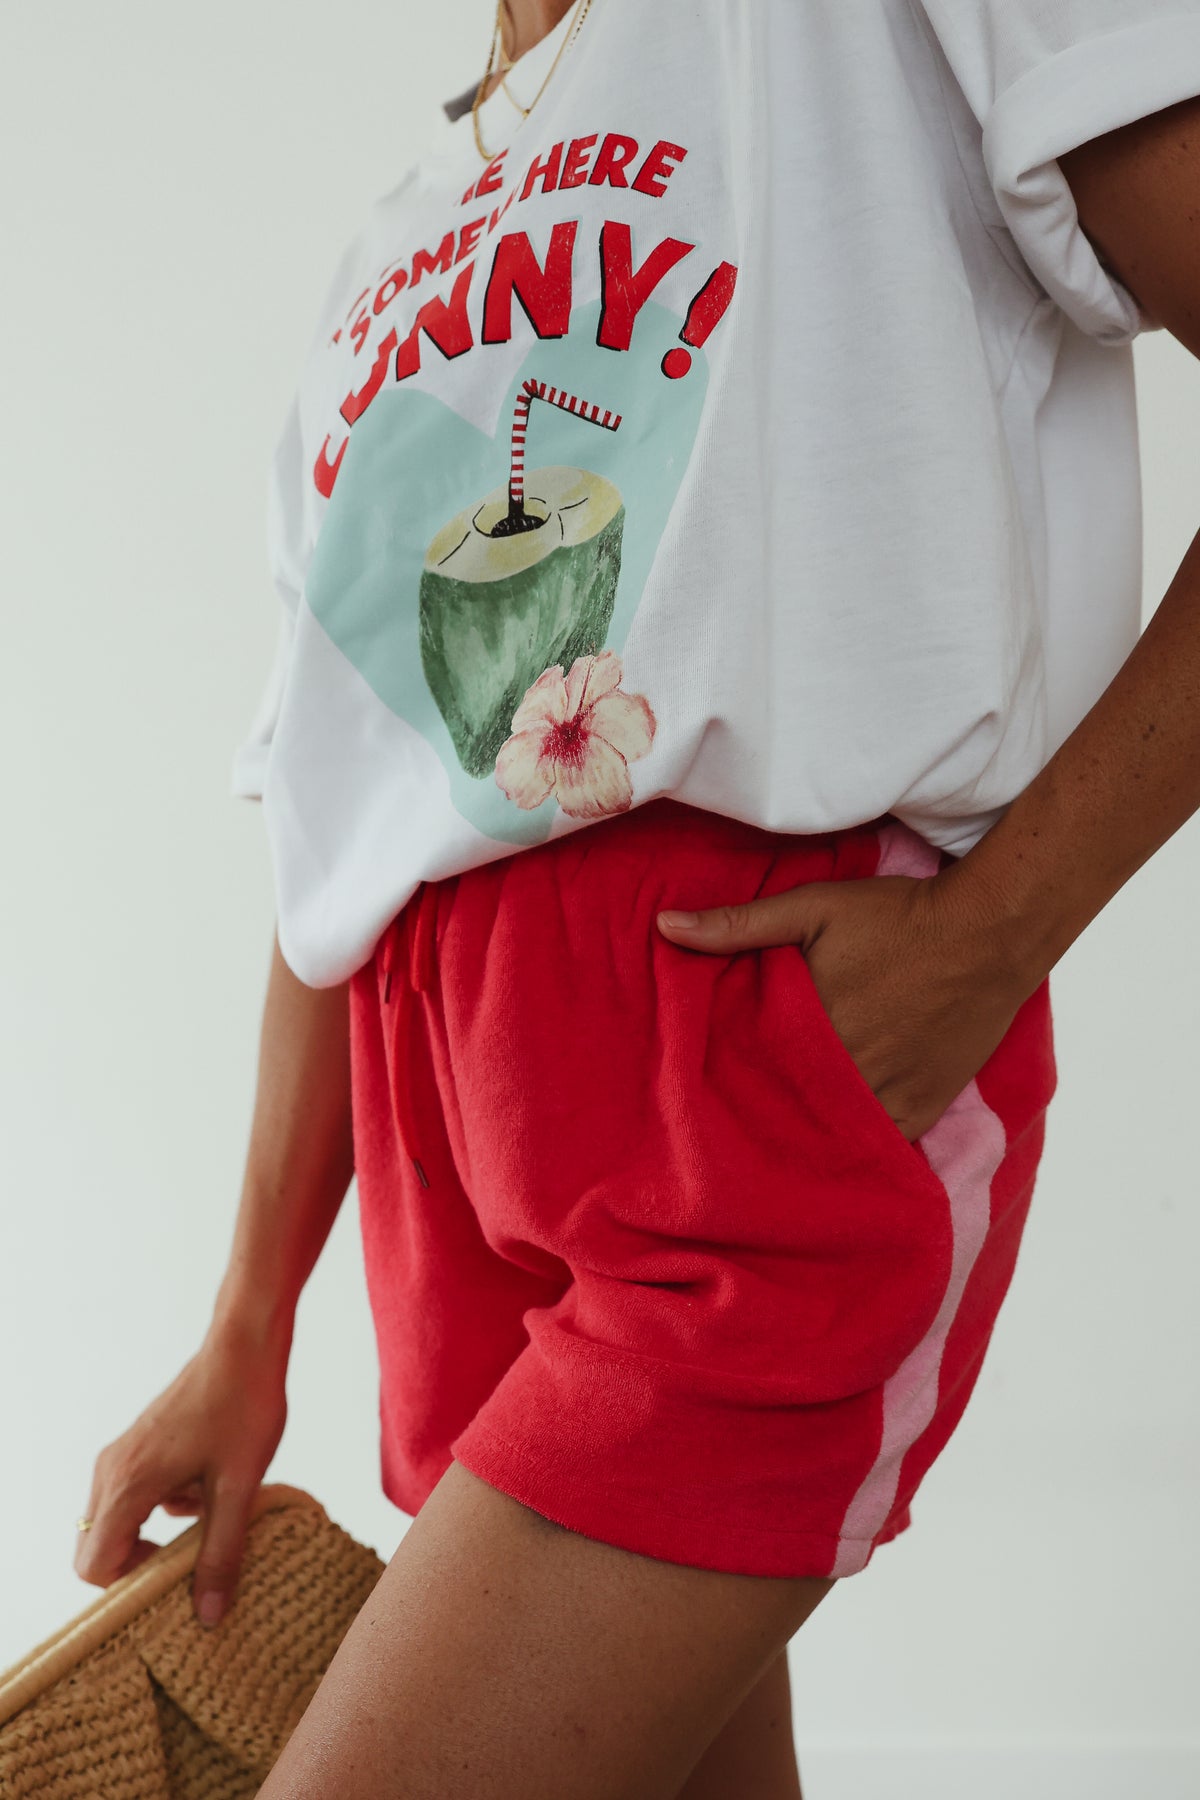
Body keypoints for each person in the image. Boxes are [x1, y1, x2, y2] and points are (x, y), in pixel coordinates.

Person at [72, 1, 1200, 1793]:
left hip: (747, 1086)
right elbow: (341, 834)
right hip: (450, 1159)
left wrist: (990, 942)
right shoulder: (393, 244)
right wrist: (247, 1323)